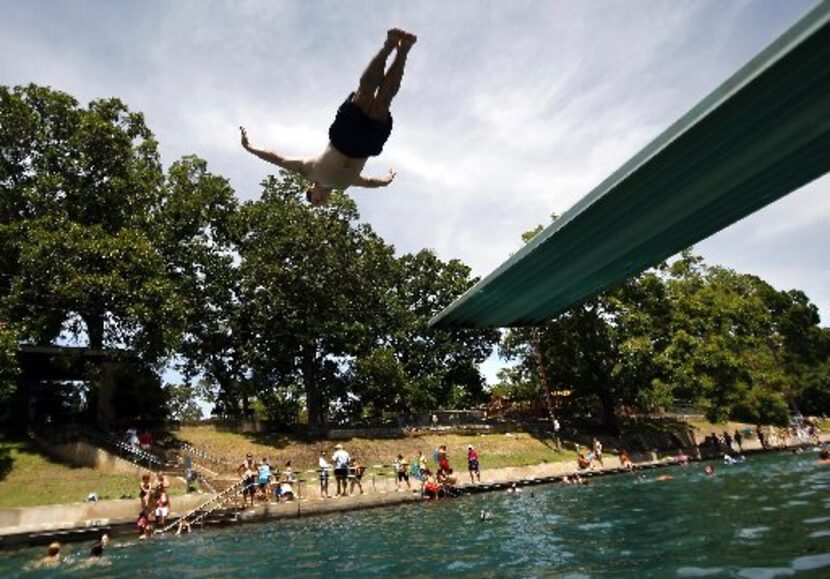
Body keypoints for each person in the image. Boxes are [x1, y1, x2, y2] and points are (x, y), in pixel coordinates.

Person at [240, 28, 417, 207]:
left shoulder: (308, 170)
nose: (319, 201)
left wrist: (250, 148)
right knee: (384, 101)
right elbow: (371, 182)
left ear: (310, 189)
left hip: (342, 138)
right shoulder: (345, 185)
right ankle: (404, 51)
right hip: (366, 146)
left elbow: (277, 159)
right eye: (320, 204)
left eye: (314, 200)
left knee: (364, 94)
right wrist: (386, 180)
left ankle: (389, 45)